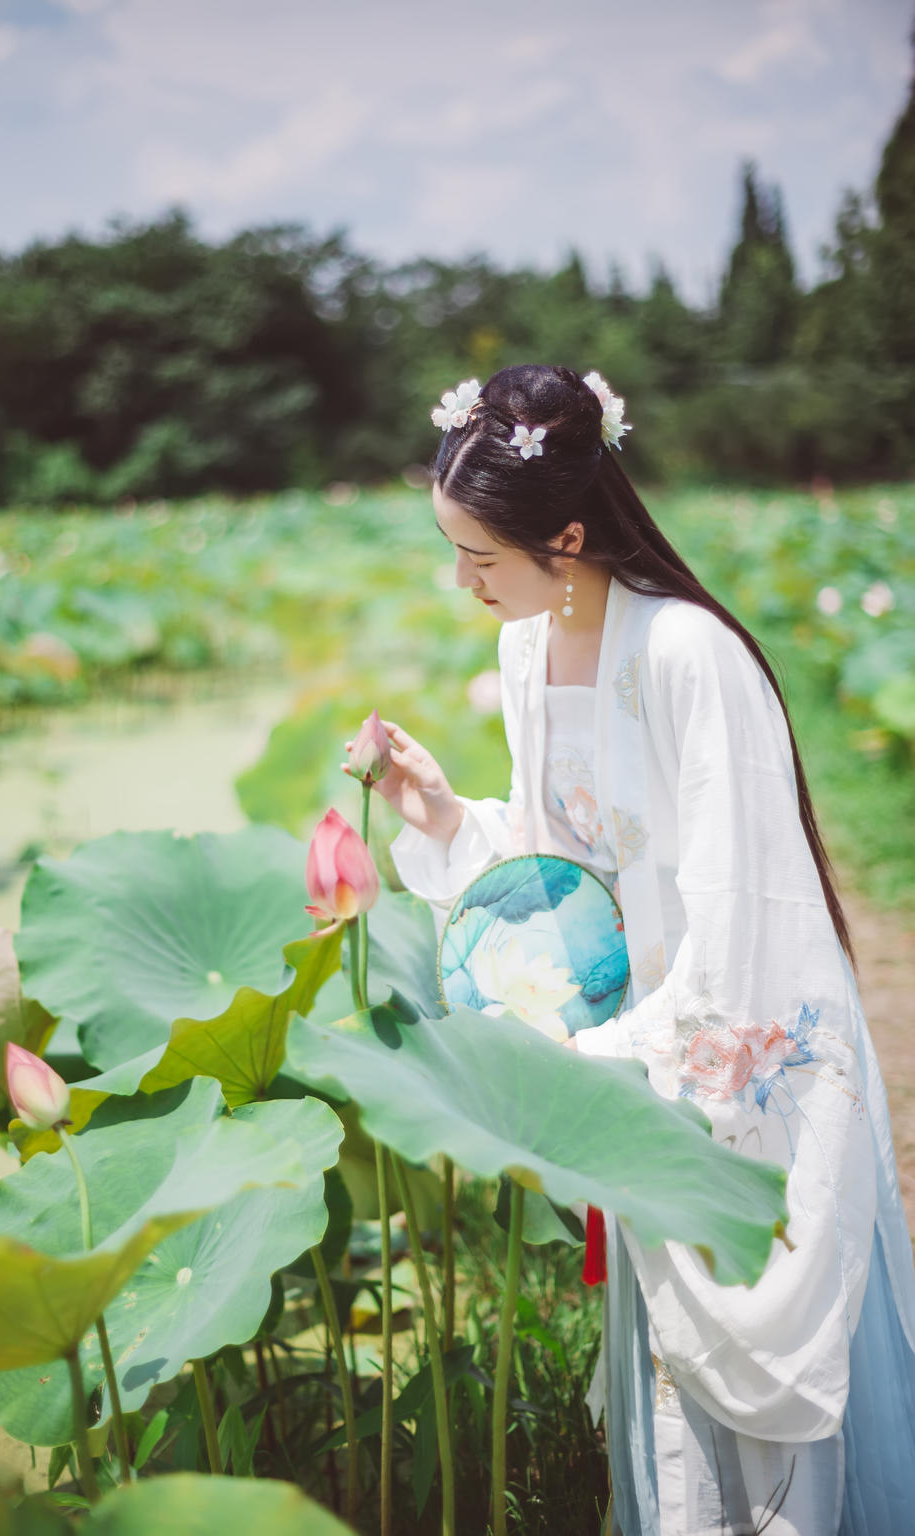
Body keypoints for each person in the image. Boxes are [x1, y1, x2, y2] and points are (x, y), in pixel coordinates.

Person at [368, 364, 915, 1535]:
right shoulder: (527, 650)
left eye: (478, 558)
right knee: (666, 1394)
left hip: (731, 1045)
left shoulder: (688, 655)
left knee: (764, 1377)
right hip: (630, 1050)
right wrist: (447, 820)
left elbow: (744, 913)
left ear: (566, 537)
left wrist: (607, 1056)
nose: (462, 582)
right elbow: (565, 865)